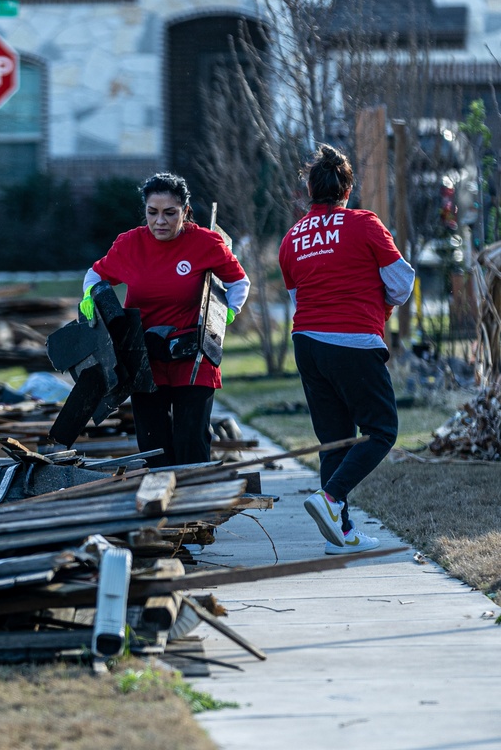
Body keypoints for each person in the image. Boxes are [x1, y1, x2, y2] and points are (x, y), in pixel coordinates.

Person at [279, 144, 415, 555]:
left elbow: (297, 299)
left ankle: (341, 534)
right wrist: (381, 305)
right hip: (352, 338)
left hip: (307, 342)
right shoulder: (364, 224)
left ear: (308, 190)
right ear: (348, 188)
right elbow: (402, 283)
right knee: (382, 429)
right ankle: (331, 497)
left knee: (334, 440)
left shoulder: (291, 239)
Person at [81, 172, 249, 468]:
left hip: (194, 357)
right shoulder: (130, 244)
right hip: (144, 358)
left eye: (170, 213)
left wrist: (226, 313)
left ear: (184, 211)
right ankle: (165, 509)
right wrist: (90, 297)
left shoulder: (206, 243)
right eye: (153, 212)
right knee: (153, 444)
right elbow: (96, 274)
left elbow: (239, 282)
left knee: (191, 440)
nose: (160, 221)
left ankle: (195, 506)